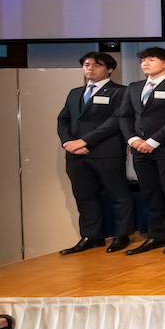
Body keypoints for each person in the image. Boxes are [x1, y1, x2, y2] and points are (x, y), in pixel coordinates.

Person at [58, 51, 134, 254]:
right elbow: (63, 119)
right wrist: (68, 142)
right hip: (75, 153)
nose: (90, 68)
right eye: (86, 65)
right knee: (84, 196)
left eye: (96, 65)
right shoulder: (75, 92)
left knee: (118, 195)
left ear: (110, 69)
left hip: (106, 151)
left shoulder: (121, 92)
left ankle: (122, 235)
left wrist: (85, 141)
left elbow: (116, 120)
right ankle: (91, 236)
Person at [119, 47, 165, 254]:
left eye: (151, 59)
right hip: (139, 148)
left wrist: (154, 140)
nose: (145, 63)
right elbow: (125, 116)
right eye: (143, 60)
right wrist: (132, 139)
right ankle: (156, 235)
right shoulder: (134, 87)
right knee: (150, 193)